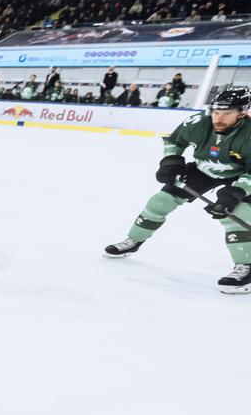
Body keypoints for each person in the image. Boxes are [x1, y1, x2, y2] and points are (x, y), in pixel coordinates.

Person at [103, 88, 251, 293]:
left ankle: (246, 266)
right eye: (216, 111)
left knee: (235, 212)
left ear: (243, 112)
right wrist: (171, 162)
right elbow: (174, 141)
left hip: (241, 175)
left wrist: (234, 195)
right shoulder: (198, 123)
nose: (219, 117)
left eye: (227, 113)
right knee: (161, 201)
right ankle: (133, 240)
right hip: (203, 169)